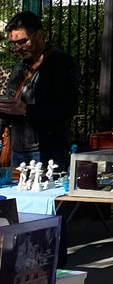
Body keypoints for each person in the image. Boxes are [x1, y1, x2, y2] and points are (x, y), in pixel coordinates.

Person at [0, 11, 79, 169]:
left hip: (47, 149)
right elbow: (10, 103)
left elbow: (67, 108)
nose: (18, 48)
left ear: (39, 35)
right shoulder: (20, 67)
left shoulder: (60, 62)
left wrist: (26, 110)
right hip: (18, 150)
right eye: (14, 43)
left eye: (23, 41)